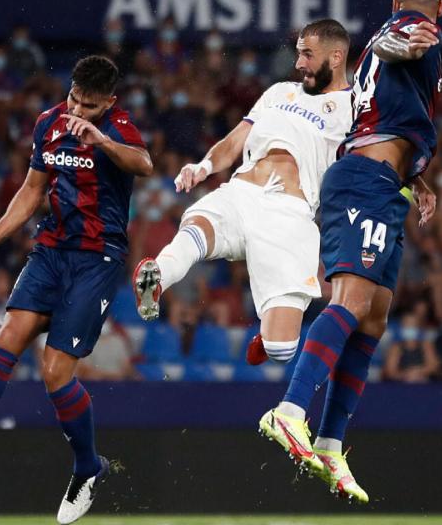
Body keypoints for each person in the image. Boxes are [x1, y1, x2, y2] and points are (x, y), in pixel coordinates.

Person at [0, 55, 151, 524]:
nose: (77, 111)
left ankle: (87, 468)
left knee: (54, 372)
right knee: (6, 337)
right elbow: (32, 188)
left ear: (109, 103)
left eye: (89, 106)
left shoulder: (119, 127)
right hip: (50, 250)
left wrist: (102, 140)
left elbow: (143, 163)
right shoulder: (49, 124)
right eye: (73, 99)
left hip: (97, 257)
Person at [258, 0, 442, 504]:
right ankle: (290, 411)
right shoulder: (412, 30)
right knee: (353, 299)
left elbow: (384, 121)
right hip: (363, 182)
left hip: (386, 184)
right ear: (433, 6)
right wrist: (406, 37)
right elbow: (393, 44)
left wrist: (419, 178)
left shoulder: (395, 61)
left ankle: (332, 442)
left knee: (375, 314)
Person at [132, 19, 354, 371]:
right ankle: (157, 274)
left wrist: (416, 182)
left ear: (337, 57)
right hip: (242, 191)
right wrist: (203, 167)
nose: (298, 64)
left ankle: (267, 340)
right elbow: (236, 140)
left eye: (307, 55)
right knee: (199, 222)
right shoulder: (279, 92)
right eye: (298, 54)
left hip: (289, 215)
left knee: (282, 349)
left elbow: (385, 151)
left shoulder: (353, 108)